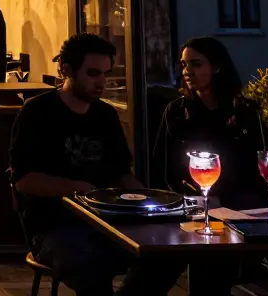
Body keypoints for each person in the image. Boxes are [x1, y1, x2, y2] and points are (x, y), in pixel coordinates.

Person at [11, 34, 178, 296]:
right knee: (90, 264)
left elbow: (121, 174)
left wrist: (152, 205)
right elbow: (24, 181)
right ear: (66, 70)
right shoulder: (37, 112)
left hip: (106, 222)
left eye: (105, 74)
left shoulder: (105, 115)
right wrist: (81, 189)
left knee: (166, 255)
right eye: (93, 73)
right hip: (53, 225)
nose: (101, 82)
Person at [149, 38, 268, 296]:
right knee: (151, 270)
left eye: (195, 63)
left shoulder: (244, 112)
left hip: (236, 208)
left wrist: (226, 201)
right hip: (188, 206)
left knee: (213, 262)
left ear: (216, 67)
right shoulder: (178, 111)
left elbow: (260, 165)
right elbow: (162, 166)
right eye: (184, 65)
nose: (187, 71)